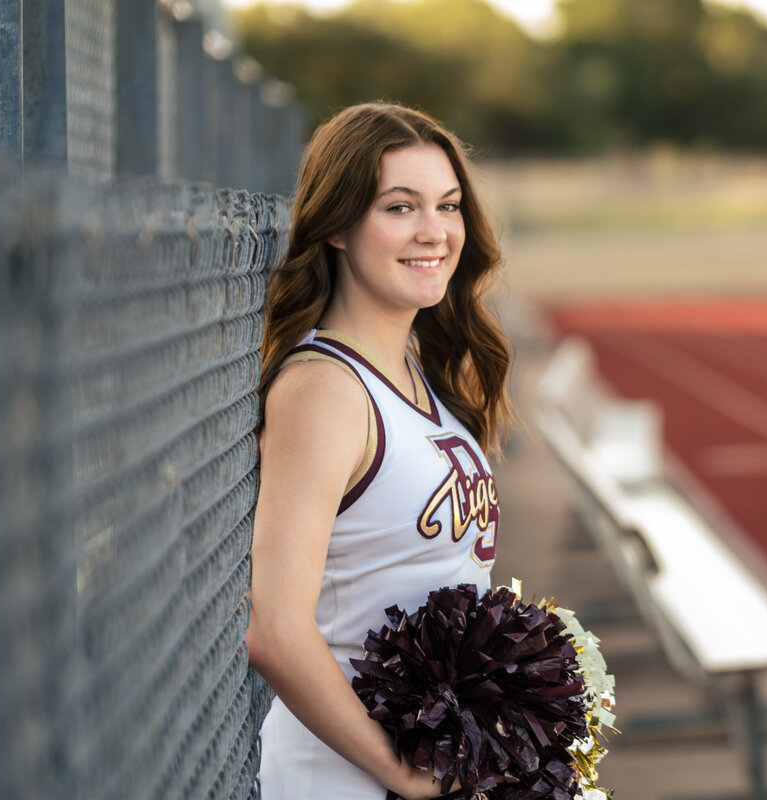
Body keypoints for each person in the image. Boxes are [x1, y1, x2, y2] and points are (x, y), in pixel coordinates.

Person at [245, 102, 513, 800]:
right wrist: (401, 774)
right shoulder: (325, 392)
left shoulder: (414, 371)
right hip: (346, 779)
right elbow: (275, 629)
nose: (435, 231)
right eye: (400, 207)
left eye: (448, 205)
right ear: (336, 224)